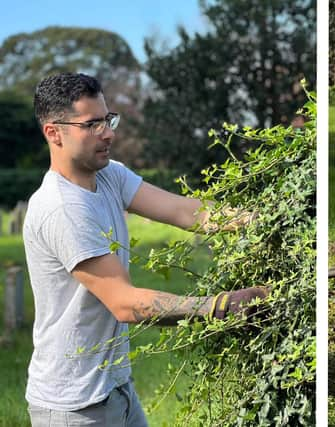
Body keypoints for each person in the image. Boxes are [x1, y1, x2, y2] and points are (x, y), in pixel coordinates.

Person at [23, 73, 267, 426]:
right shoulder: (61, 209)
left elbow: (187, 211)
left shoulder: (110, 175)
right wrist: (219, 307)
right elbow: (125, 303)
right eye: (91, 124)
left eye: (107, 120)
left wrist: (267, 218)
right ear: (53, 132)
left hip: (116, 388)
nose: (108, 133)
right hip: (73, 406)